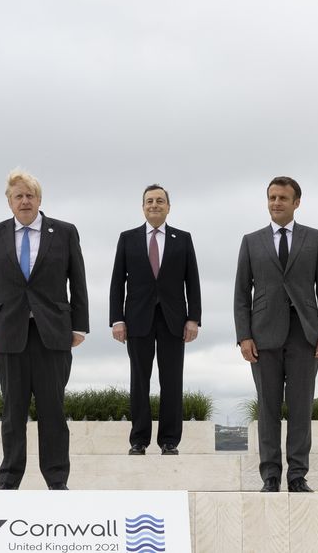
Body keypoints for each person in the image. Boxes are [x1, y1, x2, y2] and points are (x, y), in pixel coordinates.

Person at [0, 169, 89, 490]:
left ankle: (57, 480)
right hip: (8, 334)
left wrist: (80, 325)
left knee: (53, 410)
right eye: (18, 196)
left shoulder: (64, 232)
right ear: (9, 202)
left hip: (53, 333)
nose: (25, 201)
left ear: (39, 199)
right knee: (12, 412)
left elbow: (78, 281)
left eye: (30, 195)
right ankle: (8, 479)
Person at [234, 176, 318, 493]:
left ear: (296, 202)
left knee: (301, 408)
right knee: (268, 408)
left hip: (305, 333)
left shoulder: (315, 238)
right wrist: (244, 336)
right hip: (263, 336)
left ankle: (297, 475)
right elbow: (240, 294)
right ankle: (271, 475)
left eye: (282, 198)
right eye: (272, 197)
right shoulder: (251, 241)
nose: (276, 203)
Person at [109, 184, 202, 456]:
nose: (154, 205)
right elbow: (117, 282)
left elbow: (192, 281)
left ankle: (169, 440)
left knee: (172, 380)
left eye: (160, 201)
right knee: (139, 380)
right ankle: (139, 440)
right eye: (149, 201)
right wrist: (117, 319)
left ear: (168, 206)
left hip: (174, 320)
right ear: (143, 207)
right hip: (137, 319)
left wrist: (193, 318)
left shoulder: (182, 239)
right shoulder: (128, 238)